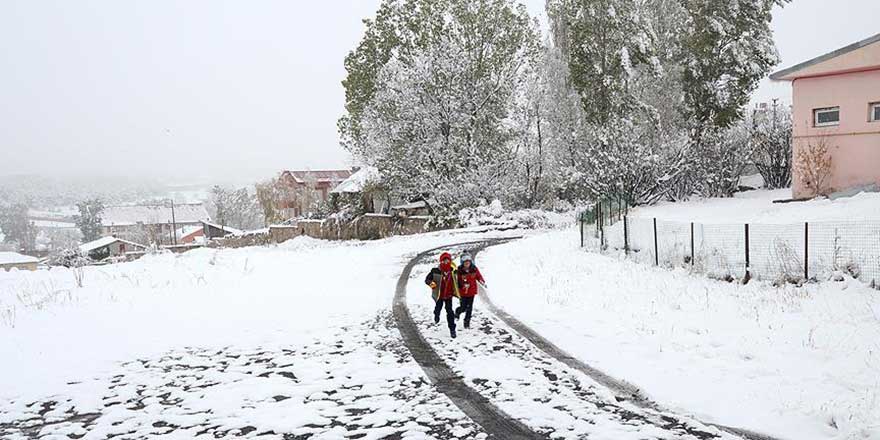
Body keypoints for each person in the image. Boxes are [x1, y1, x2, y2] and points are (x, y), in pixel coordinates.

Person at [424, 252, 459, 338]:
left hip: (449, 295)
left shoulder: (453, 271)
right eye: (444, 261)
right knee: (438, 307)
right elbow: (427, 280)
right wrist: (432, 284)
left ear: (450, 261)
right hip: (439, 295)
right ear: (441, 261)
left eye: (448, 261)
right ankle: (436, 315)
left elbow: (459, 281)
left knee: (450, 312)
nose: (446, 262)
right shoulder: (435, 271)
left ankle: (452, 329)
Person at [455, 253, 484, 329]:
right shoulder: (459, 270)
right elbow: (457, 281)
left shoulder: (474, 269)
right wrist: (462, 285)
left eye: (468, 262)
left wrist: (481, 280)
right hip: (463, 293)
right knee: (463, 307)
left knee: (469, 308)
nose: (467, 263)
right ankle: (457, 312)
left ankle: (467, 322)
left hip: (471, 292)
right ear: (462, 263)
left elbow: (478, 276)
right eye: (465, 262)